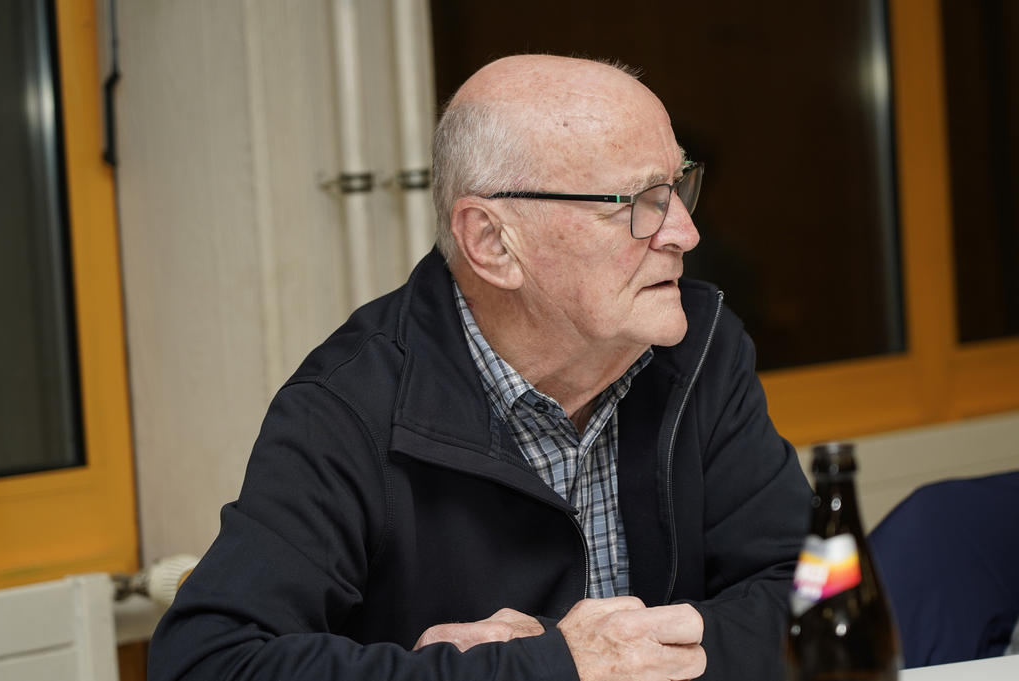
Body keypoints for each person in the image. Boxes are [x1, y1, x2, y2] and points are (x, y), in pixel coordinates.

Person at [149, 54, 812, 681]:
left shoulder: (702, 348)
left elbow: (814, 589)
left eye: (678, 185)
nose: (685, 232)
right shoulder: (351, 405)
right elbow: (208, 663)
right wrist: (549, 667)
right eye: (638, 200)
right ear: (493, 242)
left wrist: (615, 658)